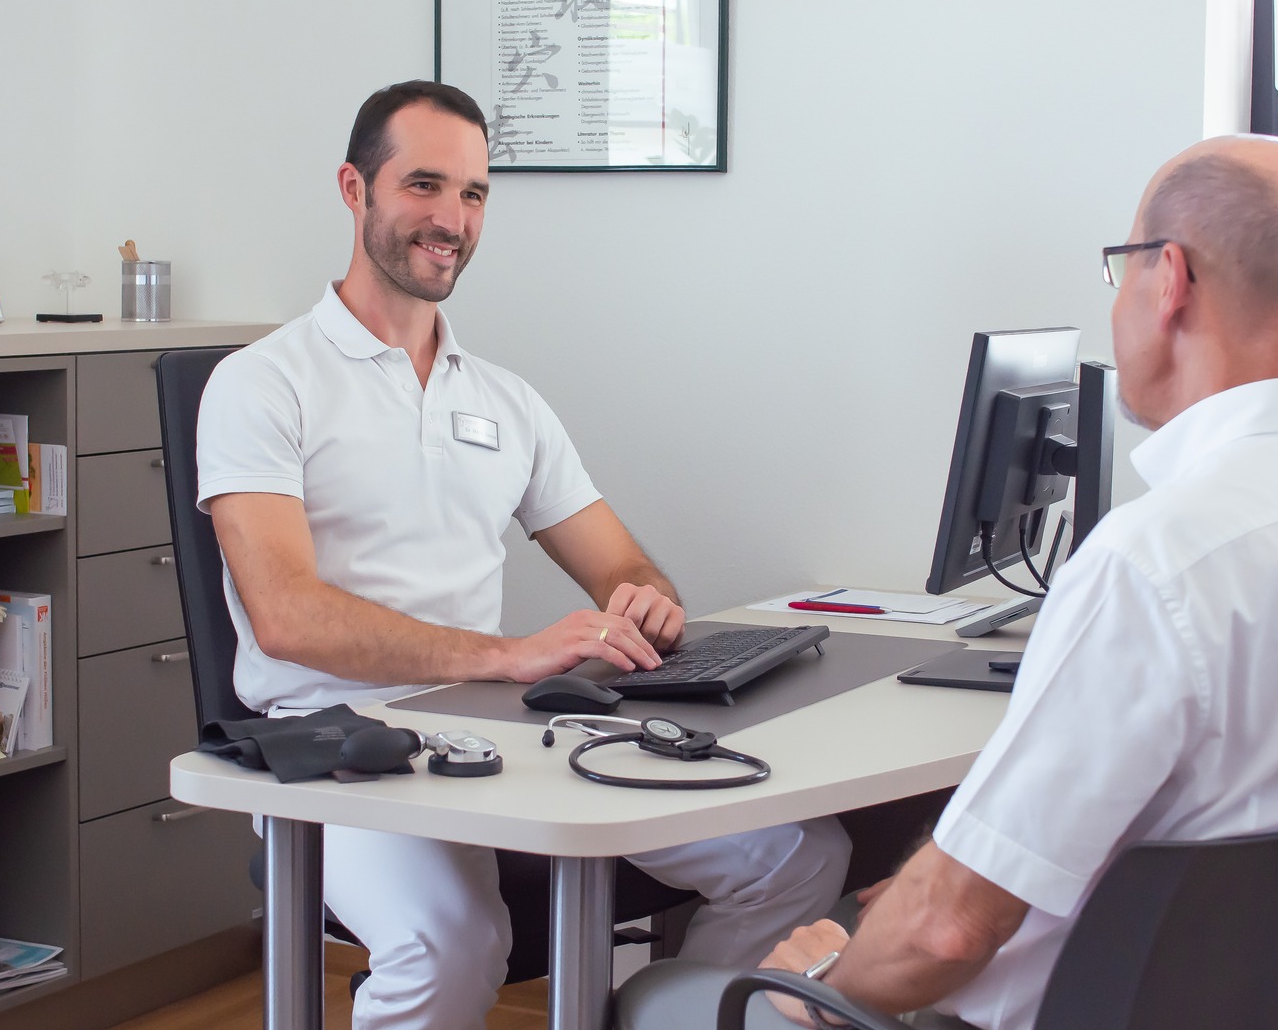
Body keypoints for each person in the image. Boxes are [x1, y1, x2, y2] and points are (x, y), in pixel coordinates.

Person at [613, 135, 1278, 1029]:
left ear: (1169, 281)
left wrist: (829, 981)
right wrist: (933, 893)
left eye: (1123, 271)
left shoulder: (1155, 565)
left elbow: (950, 933)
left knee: (672, 1002)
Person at [195, 80, 852, 1030]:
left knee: (796, 859)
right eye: (424, 185)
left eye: (473, 194)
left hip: (491, 722)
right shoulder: (261, 384)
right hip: (334, 738)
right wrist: (505, 655)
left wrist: (646, 607)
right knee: (450, 947)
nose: (451, 219)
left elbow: (625, 566)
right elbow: (286, 615)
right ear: (353, 188)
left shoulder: (504, 400)